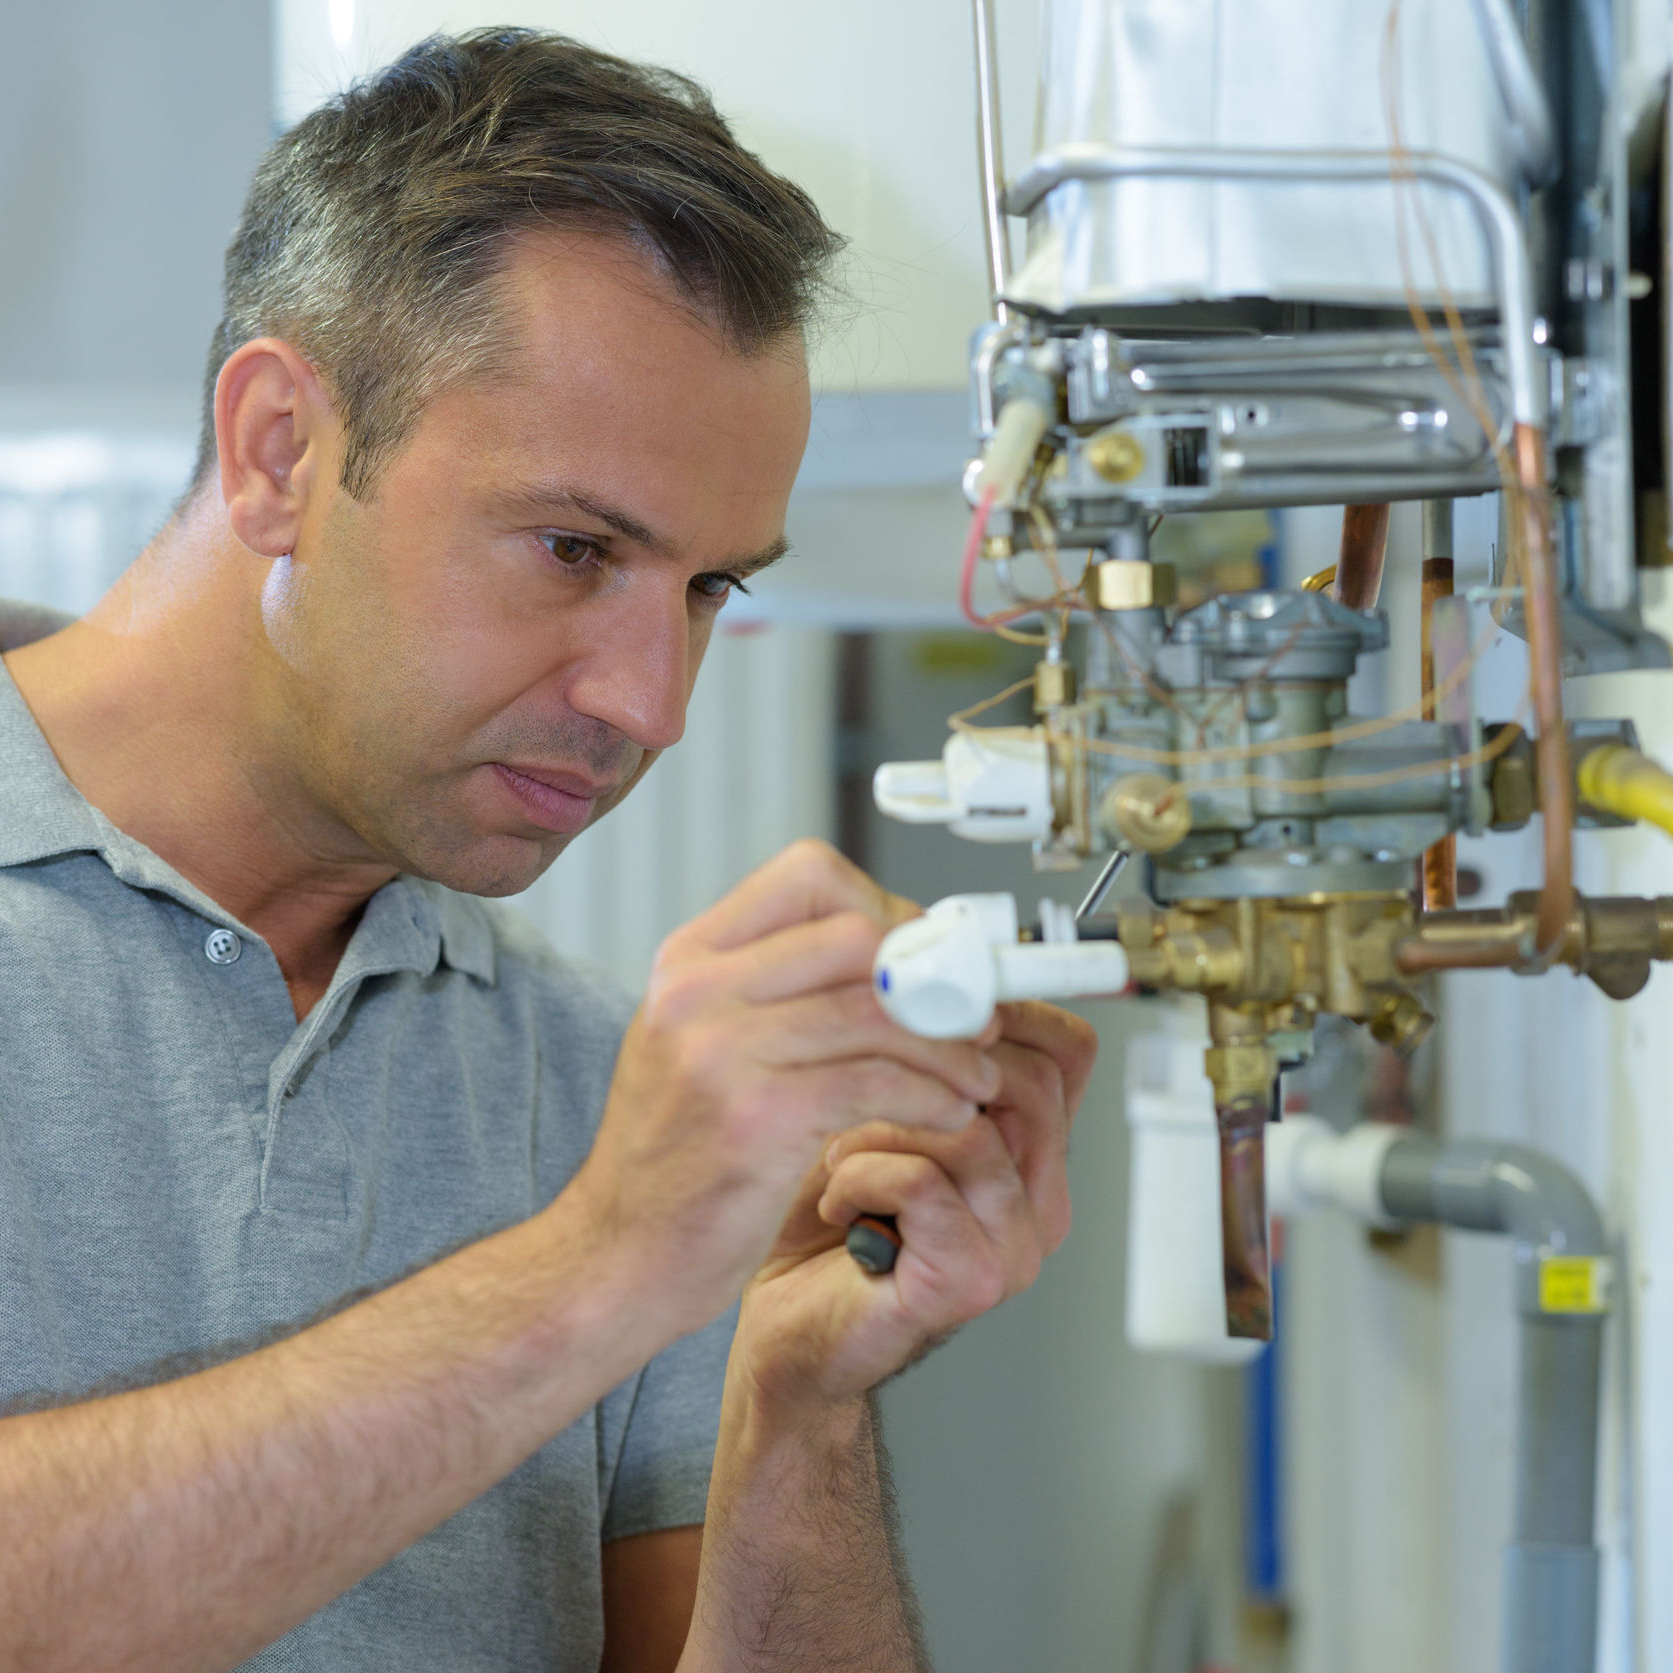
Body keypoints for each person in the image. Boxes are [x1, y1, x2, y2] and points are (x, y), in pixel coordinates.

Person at [0, 28, 1094, 1672]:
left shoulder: (585, 1082)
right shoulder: (626, 1197)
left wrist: (793, 1403)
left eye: (711, 588)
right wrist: (606, 1263)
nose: (652, 705)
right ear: (283, 448)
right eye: (574, 548)